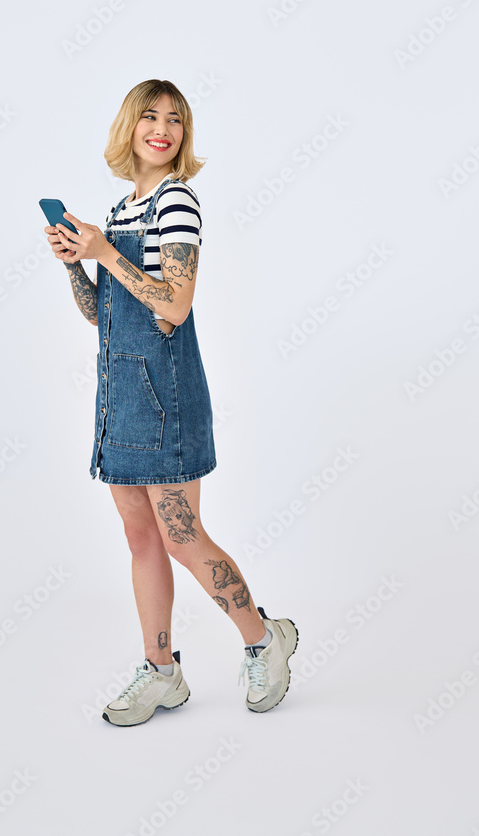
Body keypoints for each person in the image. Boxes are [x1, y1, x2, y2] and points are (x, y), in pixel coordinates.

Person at [45, 79, 297, 726]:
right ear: (128, 126)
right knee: (141, 540)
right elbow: (102, 314)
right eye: (150, 116)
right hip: (120, 395)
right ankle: (161, 671)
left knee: (183, 540)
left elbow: (174, 305)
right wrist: (75, 262)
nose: (162, 128)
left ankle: (264, 640)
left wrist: (104, 251)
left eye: (175, 119)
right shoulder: (123, 207)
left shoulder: (176, 201)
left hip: (166, 396)